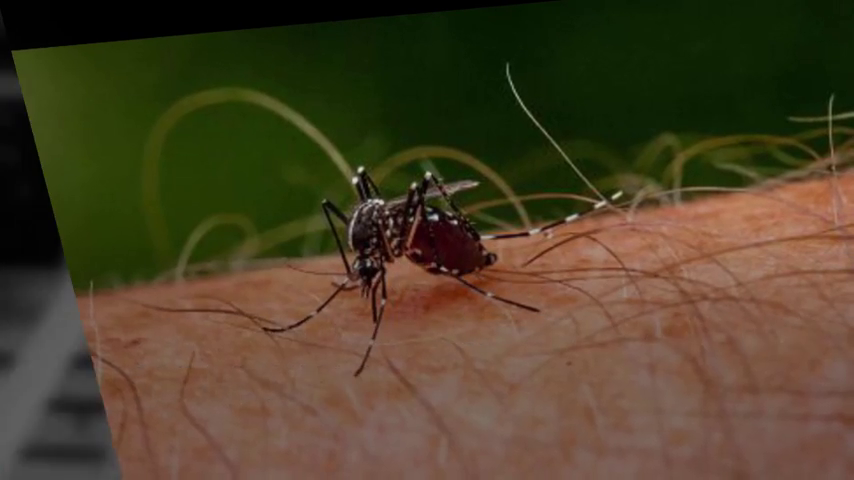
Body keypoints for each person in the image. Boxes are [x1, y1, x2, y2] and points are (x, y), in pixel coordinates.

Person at [82, 173, 853, 478]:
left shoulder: (395, 233)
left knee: (399, 198)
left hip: (432, 236)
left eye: (365, 276)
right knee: (365, 199)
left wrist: (426, 259)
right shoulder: (368, 239)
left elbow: (390, 218)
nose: (365, 285)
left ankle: (481, 271)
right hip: (406, 234)